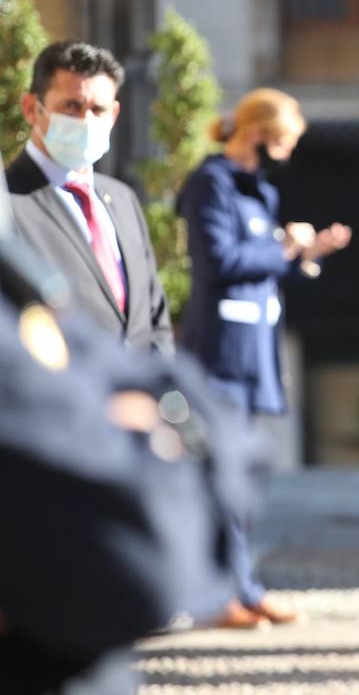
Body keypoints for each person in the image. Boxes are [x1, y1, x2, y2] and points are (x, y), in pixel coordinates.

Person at [0, 165, 263, 695]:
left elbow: (229, 439)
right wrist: (149, 432)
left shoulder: (27, 272)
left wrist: (167, 422)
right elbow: (137, 529)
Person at [176, 88, 350, 629]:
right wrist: (283, 248)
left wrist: (305, 254)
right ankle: (218, 593)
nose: (287, 154)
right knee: (219, 476)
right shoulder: (211, 184)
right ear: (256, 134)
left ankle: (245, 587)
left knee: (243, 477)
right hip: (219, 352)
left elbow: (263, 269)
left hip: (255, 350)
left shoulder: (258, 192)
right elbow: (220, 261)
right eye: (283, 142)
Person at [7, 41, 173, 355]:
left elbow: (153, 319)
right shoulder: (7, 200)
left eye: (97, 109)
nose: (85, 120)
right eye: (71, 106)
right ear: (31, 108)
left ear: (113, 114)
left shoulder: (122, 199)